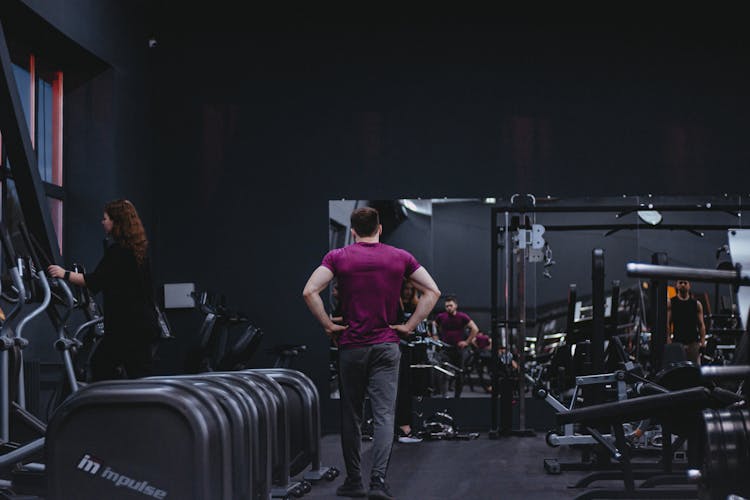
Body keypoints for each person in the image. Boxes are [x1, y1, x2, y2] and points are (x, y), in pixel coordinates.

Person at [303, 206, 440, 500]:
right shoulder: (400, 257)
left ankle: (354, 481)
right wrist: (410, 325)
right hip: (386, 346)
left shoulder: (338, 257)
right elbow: (433, 291)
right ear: (379, 228)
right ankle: (378, 481)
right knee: (384, 416)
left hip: (352, 346)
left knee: (351, 415)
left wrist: (328, 325)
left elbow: (309, 291)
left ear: (352, 231)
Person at [47, 199, 158, 381]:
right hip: (142, 325)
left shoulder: (119, 252)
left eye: (105, 218)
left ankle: (112, 407)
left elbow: (94, 281)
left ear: (117, 222)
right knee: (137, 375)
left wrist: (63, 274)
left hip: (126, 328)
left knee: (101, 366)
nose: (102, 222)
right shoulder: (138, 251)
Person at [432, 295, 479, 397]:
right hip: (445, 348)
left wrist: (466, 342)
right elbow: (433, 324)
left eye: (451, 305)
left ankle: (457, 397)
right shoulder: (441, 316)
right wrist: (435, 335)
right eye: (447, 306)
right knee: (444, 372)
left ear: (455, 306)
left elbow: (475, 329)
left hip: (458, 349)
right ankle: (444, 395)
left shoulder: (462, 316)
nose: (449, 307)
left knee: (459, 374)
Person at [394, 279, 423, 443]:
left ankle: (405, 425)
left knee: (407, 385)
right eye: (405, 289)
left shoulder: (415, 306)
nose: (407, 292)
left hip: (411, 349)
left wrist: (407, 329)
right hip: (395, 347)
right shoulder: (395, 304)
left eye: (410, 289)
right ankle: (400, 426)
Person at [667, 279, 707, 365]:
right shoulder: (671, 303)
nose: (683, 285)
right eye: (680, 283)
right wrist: (668, 338)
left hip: (693, 343)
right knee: (678, 369)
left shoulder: (696, 304)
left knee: (694, 370)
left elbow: (701, 325)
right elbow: (668, 323)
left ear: (689, 286)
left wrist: (703, 341)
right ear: (677, 285)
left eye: (685, 283)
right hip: (678, 342)